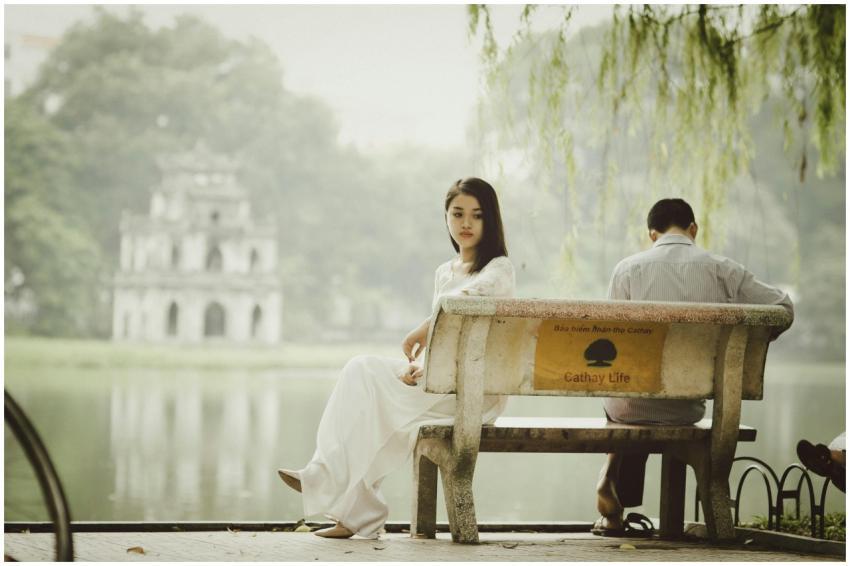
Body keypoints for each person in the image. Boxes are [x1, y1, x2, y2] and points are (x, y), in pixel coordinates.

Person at [277, 177, 515, 539]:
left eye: (477, 215)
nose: (466, 223)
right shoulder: (444, 272)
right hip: (440, 383)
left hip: (474, 394)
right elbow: (447, 344)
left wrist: (423, 327)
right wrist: (418, 368)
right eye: (457, 213)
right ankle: (352, 505)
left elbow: (467, 301)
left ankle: (341, 492)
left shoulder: (498, 268)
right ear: (446, 217)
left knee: (371, 391)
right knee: (361, 378)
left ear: (490, 221)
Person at [592, 198, 794, 537]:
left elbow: (616, 340)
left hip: (630, 407)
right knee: (655, 403)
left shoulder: (628, 269)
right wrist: (756, 342)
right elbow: (783, 307)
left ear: (652, 235)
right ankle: (658, 506)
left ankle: (614, 501)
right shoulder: (724, 269)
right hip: (687, 409)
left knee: (625, 404)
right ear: (693, 229)